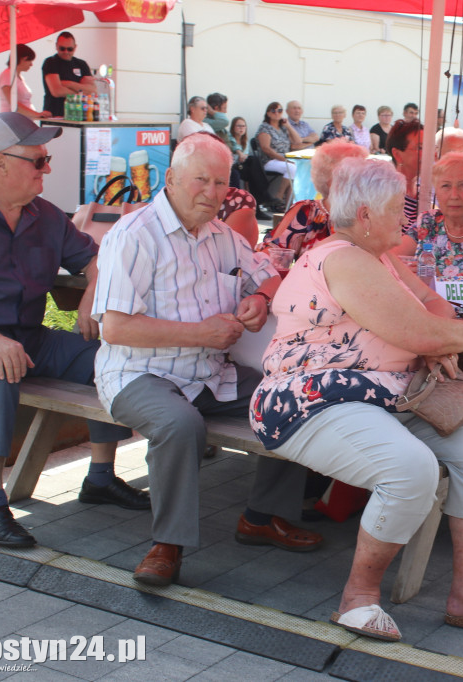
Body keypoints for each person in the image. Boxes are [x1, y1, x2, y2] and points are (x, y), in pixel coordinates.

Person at [249, 156, 463, 642]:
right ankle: (357, 598)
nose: (406, 219)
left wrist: (443, 336)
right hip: (311, 401)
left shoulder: (378, 258)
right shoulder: (341, 258)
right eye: (395, 209)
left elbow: (430, 305)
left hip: (383, 398)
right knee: (410, 468)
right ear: (365, 215)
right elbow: (422, 331)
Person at [93, 133, 322, 587]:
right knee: (180, 424)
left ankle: (262, 516)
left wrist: (259, 297)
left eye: (221, 183)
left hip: (209, 375)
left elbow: (273, 275)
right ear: (172, 179)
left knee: (295, 396)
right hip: (139, 373)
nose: (212, 192)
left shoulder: (221, 236)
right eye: (201, 180)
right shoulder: (135, 235)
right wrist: (201, 333)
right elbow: (115, 328)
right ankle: (167, 545)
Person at [0, 113, 142, 549]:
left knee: (109, 353)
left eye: (46, 158)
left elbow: (100, 260)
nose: (48, 168)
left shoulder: (45, 215)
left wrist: (93, 293)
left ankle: (99, 476)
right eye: (38, 160)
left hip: (27, 337)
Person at [260, 139, 368, 258]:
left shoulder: (369, 216)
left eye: (360, 174)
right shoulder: (307, 211)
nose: (353, 181)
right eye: (344, 174)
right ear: (326, 176)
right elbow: (272, 254)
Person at [41, 32, 96, 118]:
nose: (66, 52)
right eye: (62, 48)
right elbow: (57, 91)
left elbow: (92, 90)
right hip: (55, 115)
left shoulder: (81, 64)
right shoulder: (51, 62)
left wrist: (68, 84)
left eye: (70, 49)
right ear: (56, 46)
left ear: (75, 47)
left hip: (78, 115)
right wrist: (81, 92)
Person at [228, 116, 272, 218]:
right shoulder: (230, 138)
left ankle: (257, 207)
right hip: (232, 167)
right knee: (253, 162)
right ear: (233, 127)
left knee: (254, 170)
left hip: (242, 166)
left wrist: (244, 157)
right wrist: (242, 156)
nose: (241, 128)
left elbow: (245, 157)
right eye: (238, 126)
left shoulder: (245, 141)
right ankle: (264, 197)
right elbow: (236, 150)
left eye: (243, 126)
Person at [0, 45, 50, 119]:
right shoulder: (7, 75)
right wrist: (36, 114)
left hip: (20, 122)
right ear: (22, 59)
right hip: (11, 122)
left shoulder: (18, 76)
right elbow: (13, 103)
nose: (31, 64)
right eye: (30, 61)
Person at [387, 119, 424, 225]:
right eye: (420, 147)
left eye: (430, 147)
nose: (429, 153)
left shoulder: (423, 189)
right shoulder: (387, 193)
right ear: (397, 154)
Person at [256, 101, 299, 181]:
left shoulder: (282, 128)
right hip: (269, 161)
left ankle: (289, 193)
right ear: (268, 114)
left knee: (300, 166)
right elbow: (266, 149)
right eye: (273, 111)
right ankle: (280, 193)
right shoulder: (265, 128)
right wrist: (285, 160)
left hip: (283, 160)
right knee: (291, 168)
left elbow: (297, 141)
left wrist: (288, 126)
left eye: (279, 111)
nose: (276, 113)